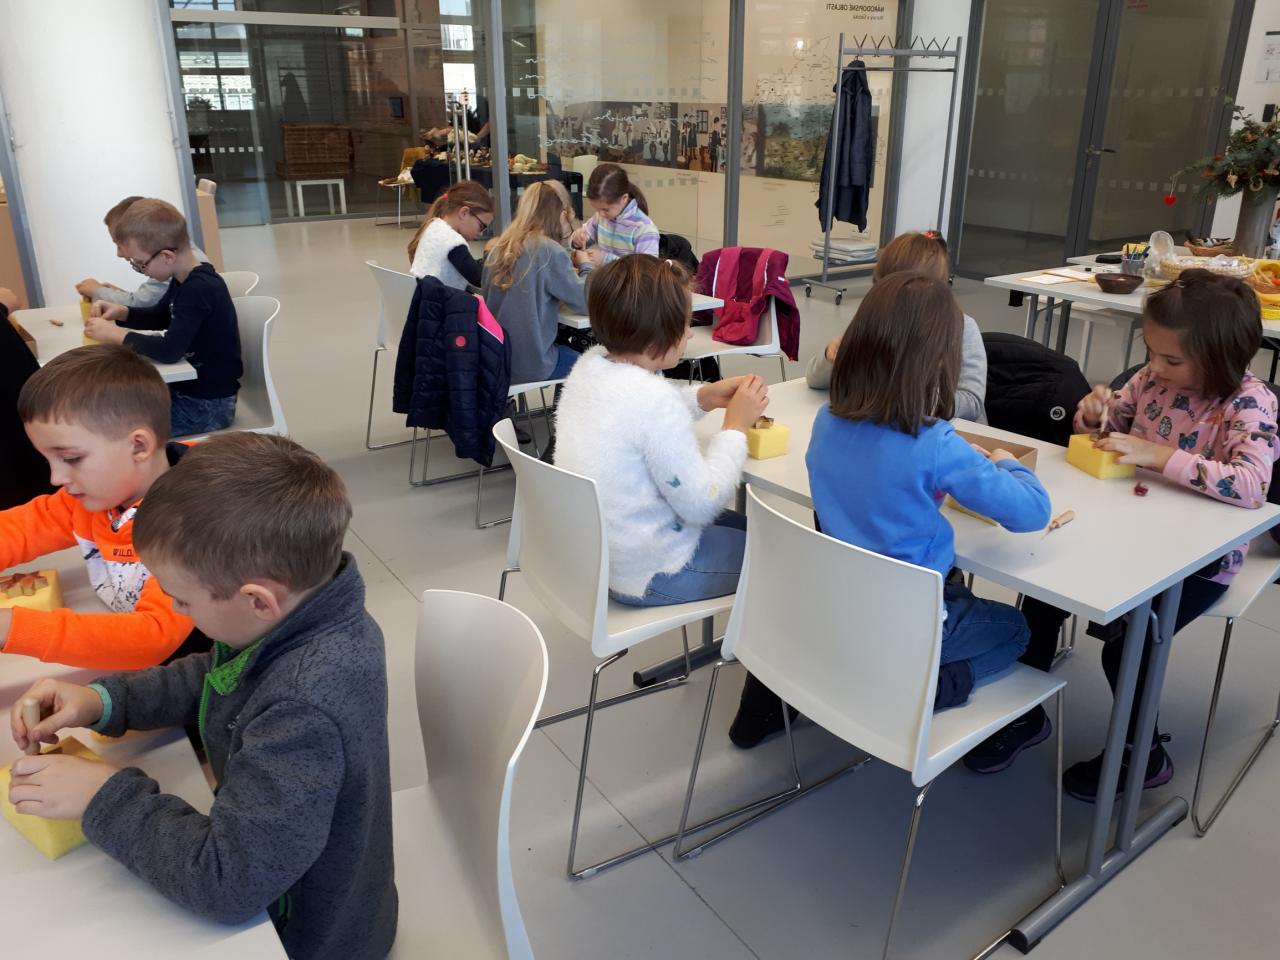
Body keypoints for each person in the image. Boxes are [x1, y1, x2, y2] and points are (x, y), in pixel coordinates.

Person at [7, 432, 397, 960]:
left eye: (182, 600)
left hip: (304, 936)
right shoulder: (304, 611)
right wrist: (104, 701)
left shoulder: (304, 706)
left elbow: (227, 883)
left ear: (257, 600)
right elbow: (216, 677)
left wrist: (103, 795)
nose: (175, 610)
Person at [966, 270, 1278, 798]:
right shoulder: (1151, 381)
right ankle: (1024, 714)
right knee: (1042, 592)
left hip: (1200, 561)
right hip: (1123, 530)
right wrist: (1094, 418)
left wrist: (1159, 454)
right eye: (1150, 353)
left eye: (1171, 360)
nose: (1154, 367)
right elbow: (1110, 430)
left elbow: (1251, 485)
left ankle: (1143, 753)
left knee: (1130, 640)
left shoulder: (1249, 404)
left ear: (1221, 357)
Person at [730, 273, 1049, 748]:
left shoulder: (827, 420)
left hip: (838, 605)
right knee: (1017, 631)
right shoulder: (935, 443)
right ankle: (928, 691)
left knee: (956, 600)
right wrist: (1007, 463)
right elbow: (1033, 513)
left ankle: (876, 676)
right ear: (940, 360)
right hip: (907, 622)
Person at [555, 255, 769, 606]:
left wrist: (702, 397)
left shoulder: (589, 366)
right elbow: (702, 502)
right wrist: (735, 427)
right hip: (651, 572)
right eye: (685, 323)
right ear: (659, 334)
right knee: (780, 549)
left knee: (755, 529)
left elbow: (636, 415)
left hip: (603, 557)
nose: (690, 333)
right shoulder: (653, 401)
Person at [0, 344, 195, 669]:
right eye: (48, 459)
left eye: (71, 458)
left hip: (193, 676)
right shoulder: (97, 496)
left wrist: (10, 628)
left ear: (138, 446)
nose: (55, 477)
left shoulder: (194, 525)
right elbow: (23, 526)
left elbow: (152, 637)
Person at [84, 199, 241, 438]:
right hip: (191, 393)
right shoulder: (183, 279)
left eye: (140, 264)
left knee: (116, 429)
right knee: (114, 411)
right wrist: (122, 313)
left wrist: (116, 334)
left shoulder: (199, 288)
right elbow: (160, 315)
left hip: (208, 406)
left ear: (167, 256)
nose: (141, 271)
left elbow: (169, 350)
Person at [807, 230, 987, 423]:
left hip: (946, 431)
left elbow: (972, 403)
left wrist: (904, 396)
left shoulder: (962, 328)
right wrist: (830, 358)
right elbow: (815, 380)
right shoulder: (876, 317)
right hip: (887, 426)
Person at [481, 179, 587, 384]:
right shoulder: (549, 250)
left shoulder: (498, 247)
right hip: (531, 364)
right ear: (562, 215)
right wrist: (586, 266)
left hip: (497, 360)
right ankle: (567, 405)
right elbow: (586, 303)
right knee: (591, 362)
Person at [76, 196, 212, 308]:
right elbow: (156, 308)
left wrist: (98, 291)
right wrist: (116, 295)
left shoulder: (186, 277)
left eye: (120, 244)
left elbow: (143, 304)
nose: (119, 254)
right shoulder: (178, 266)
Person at [570, 163, 660, 273]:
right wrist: (577, 239)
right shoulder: (601, 217)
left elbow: (646, 273)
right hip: (604, 279)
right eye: (597, 209)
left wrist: (605, 260)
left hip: (627, 284)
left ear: (624, 198)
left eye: (605, 209)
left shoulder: (644, 229)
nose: (600, 214)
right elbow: (584, 239)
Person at [406, 179, 494, 288]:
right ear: (464, 213)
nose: (481, 234)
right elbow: (479, 279)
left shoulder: (434, 227)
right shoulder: (452, 242)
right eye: (481, 226)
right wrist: (489, 254)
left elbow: (467, 265)